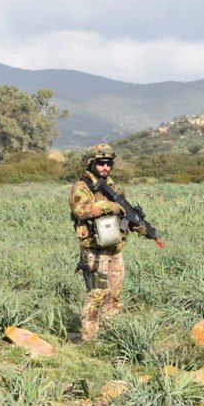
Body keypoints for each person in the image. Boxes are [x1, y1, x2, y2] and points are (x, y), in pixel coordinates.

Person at [68, 144, 145, 342]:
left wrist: (137, 224)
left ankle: (110, 335)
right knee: (96, 295)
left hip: (114, 248)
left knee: (113, 295)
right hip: (95, 250)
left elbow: (122, 212)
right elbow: (81, 211)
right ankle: (89, 340)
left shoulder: (110, 185)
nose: (105, 167)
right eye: (101, 163)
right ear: (91, 163)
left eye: (109, 163)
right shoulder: (81, 187)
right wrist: (109, 206)